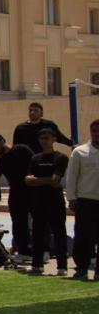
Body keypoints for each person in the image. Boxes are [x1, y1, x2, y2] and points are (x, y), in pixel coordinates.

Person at [26, 128, 69, 276]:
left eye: (47, 138)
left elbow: (55, 180)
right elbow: (28, 180)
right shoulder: (35, 158)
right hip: (38, 202)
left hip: (55, 202)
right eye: (42, 138)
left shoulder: (61, 158)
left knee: (59, 234)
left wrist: (38, 180)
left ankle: (62, 266)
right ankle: (37, 265)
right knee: (37, 234)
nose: (44, 141)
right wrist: (47, 181)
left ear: (54, 139)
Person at [0, 133, 34, 259]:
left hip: (31, 189)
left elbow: (34, 163)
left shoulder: (21, 149)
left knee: (38, 220)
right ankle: (24, 251)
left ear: (2, 141)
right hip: (16, 191)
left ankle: (42, 250)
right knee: (18, 222)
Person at [66, 119, 99, 280]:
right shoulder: (79, 152)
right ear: (90, 131)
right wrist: (71, 198)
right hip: (85, 200)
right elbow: (71, 177)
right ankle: (82, 268)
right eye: (94, 130)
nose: (97, 133)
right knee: (83, 237)